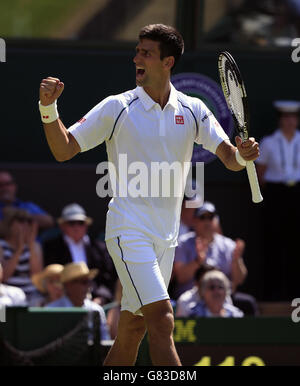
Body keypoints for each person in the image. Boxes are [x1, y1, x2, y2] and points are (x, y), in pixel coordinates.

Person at [38, 24, 259, 366]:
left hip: (166, 239)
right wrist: (48, 110)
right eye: (137, 50)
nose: (136, 58)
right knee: (163, 320)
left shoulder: (194, 109)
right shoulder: (117, 107)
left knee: (132, 329)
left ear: (167, 62)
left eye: (146, 53)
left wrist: (244, 155)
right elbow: (64, 149)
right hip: (129, 231)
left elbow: (229, 157)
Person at [173, 202, 258, 315]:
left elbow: (239, 280)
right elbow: (181, 278)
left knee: (248, 303)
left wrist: (236, 260)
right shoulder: (182, 243)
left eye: (211, 217)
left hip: (222, 296)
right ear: (194, 221)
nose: (207, 222)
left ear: (217, 220)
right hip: (192, 296)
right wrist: (198, 261)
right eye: (202, 217)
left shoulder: (228, 245)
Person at [256, 100, 300, 300]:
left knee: (295, 246)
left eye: (293, 117)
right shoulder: (269, 142)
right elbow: (260, 174)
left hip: (297, 194)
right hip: (276, 195)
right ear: (280, 120)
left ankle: (295, 294)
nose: (290, 121)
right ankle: (272, 295)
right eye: (286, 117)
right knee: (273, 244)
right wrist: (274, 195)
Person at [43, 203, 117, 304]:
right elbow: (52, 278)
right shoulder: (51, 248)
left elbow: (108, 278)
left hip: (96, 300)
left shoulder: (100, 248)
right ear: (62, 226)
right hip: (63, 300)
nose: (76, 227)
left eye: (80, 223)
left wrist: (101, 298)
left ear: (86, 225)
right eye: (71, 223)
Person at [46, 262, 110, 341]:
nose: (88, 286)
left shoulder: (96, 310)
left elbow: (104, 341)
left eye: (89, 281)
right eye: (83, 282)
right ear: (68, 285)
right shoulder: (51, 310)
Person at [0, 207, 44, 305]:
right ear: (9, 224)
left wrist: (31, 244)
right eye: (21, 220)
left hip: (32, 296)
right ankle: (2, 321)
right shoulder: (1, 246)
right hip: (8, 295)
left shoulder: (35, 246)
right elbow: (4, 276)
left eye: (29, 221)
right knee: (2, 311)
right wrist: (19, 250)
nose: (25, 225)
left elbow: (37, 276)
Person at [176, 270, 244, 318]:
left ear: (226, 292)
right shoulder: (191, 314)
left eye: (220, 287)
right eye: (212, 287)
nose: (216, 291)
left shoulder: (236, 315)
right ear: (203, 292)